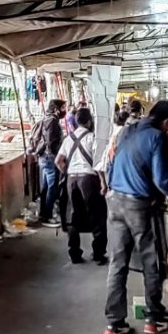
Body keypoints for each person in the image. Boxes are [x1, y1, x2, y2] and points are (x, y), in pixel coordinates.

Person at [103, 101, 168, 334]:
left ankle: (114, 324)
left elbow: (109, 166)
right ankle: (153, 318)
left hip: (114, 200)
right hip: (138, 205)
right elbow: (162, 181)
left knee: (118, 263)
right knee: (151, 260)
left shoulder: (127, 130)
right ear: (166, 122)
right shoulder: (157, 137)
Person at [55, 108, 108, 266]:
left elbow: (58, 161)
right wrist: (103, 183)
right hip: (89, 179)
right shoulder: (92, 138)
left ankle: (74, 254)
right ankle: (98, 254)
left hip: (72, 179)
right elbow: (98, 163)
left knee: (73, 217)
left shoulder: (68, 139)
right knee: (97, 215)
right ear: (89, 121)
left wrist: (67, 172)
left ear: (77, 121)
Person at [39, 99, 66, 227]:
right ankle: (47, 216)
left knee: (46, 187)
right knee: (52, 187)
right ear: (56, 109)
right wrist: (56, 156)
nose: (64, 110)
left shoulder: (47, 118)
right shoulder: (52, 121)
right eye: (63, 108)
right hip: (50, 158)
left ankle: (43, 213)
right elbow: (50, 142)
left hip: (45, 158)